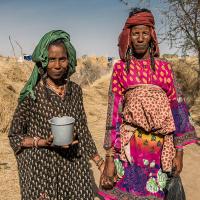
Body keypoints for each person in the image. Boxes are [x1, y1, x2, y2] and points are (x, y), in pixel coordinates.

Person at [99, 8, 197, 200]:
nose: (140, 38)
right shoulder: (120, 68)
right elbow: (114, 112)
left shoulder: (164, 68)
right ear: (129, 36)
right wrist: (110, 157)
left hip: (161, 150)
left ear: (152, 36)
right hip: (130, 149)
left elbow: (177, 110)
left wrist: (179, 152)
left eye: (145, 33)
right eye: (136, 33)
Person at [8, 30, 104, 200]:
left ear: (69, 61)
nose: (57, 65)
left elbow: (82, 128)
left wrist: (100, 162)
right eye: (52, 59)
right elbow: (15, 135)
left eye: (62, 59)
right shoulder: (33, 93)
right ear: (44, 61)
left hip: (73, 166)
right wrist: (43, 142)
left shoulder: (75, 91)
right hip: (44, 169)